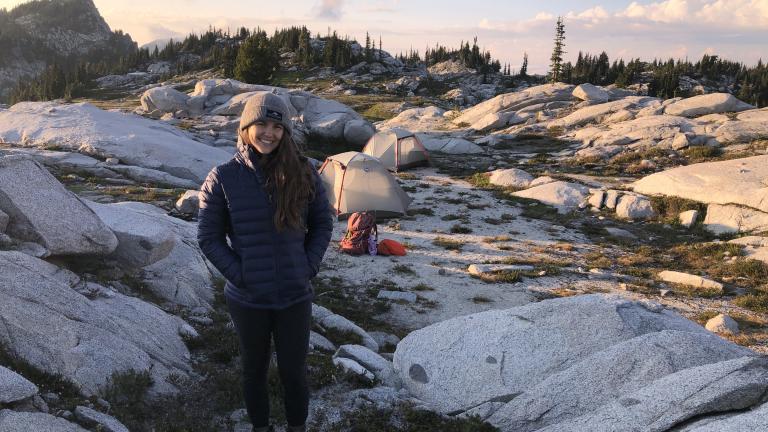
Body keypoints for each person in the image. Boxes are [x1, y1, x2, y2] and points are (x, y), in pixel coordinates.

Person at [197, 92, 333, 432]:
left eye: (277, 126)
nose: (269, 133)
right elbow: (208, 237)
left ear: (285, 131)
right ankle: (261, 427)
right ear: (246, 128)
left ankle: (296, 427)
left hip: (294, 295)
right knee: (253, 369)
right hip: (248, 298)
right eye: (261, 124)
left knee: (293, 372)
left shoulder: (304, 172)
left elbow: (323, 224)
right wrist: (239, 275)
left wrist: (308, 266)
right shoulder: (223, 177)